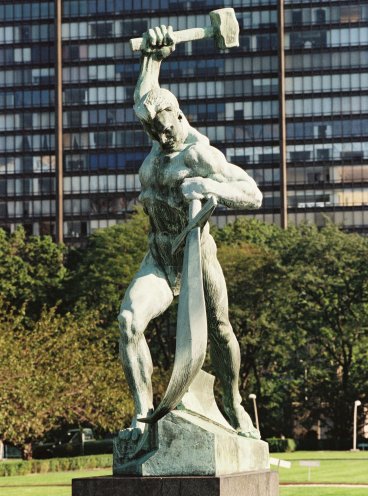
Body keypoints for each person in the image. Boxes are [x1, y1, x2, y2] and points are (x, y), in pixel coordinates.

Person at [118, 26, 263, 440]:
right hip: (160, 261)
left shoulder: (200, 153)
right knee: (128, 321)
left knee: (221, 332)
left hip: (196, 260)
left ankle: (234, 402)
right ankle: (143, 417)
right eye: (153, 132)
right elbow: (146, 91)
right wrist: (155, 54)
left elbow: (253, 194)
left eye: (167, 128)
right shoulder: (153, 141)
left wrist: (210, 187)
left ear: (180, 115)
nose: (163, 137)